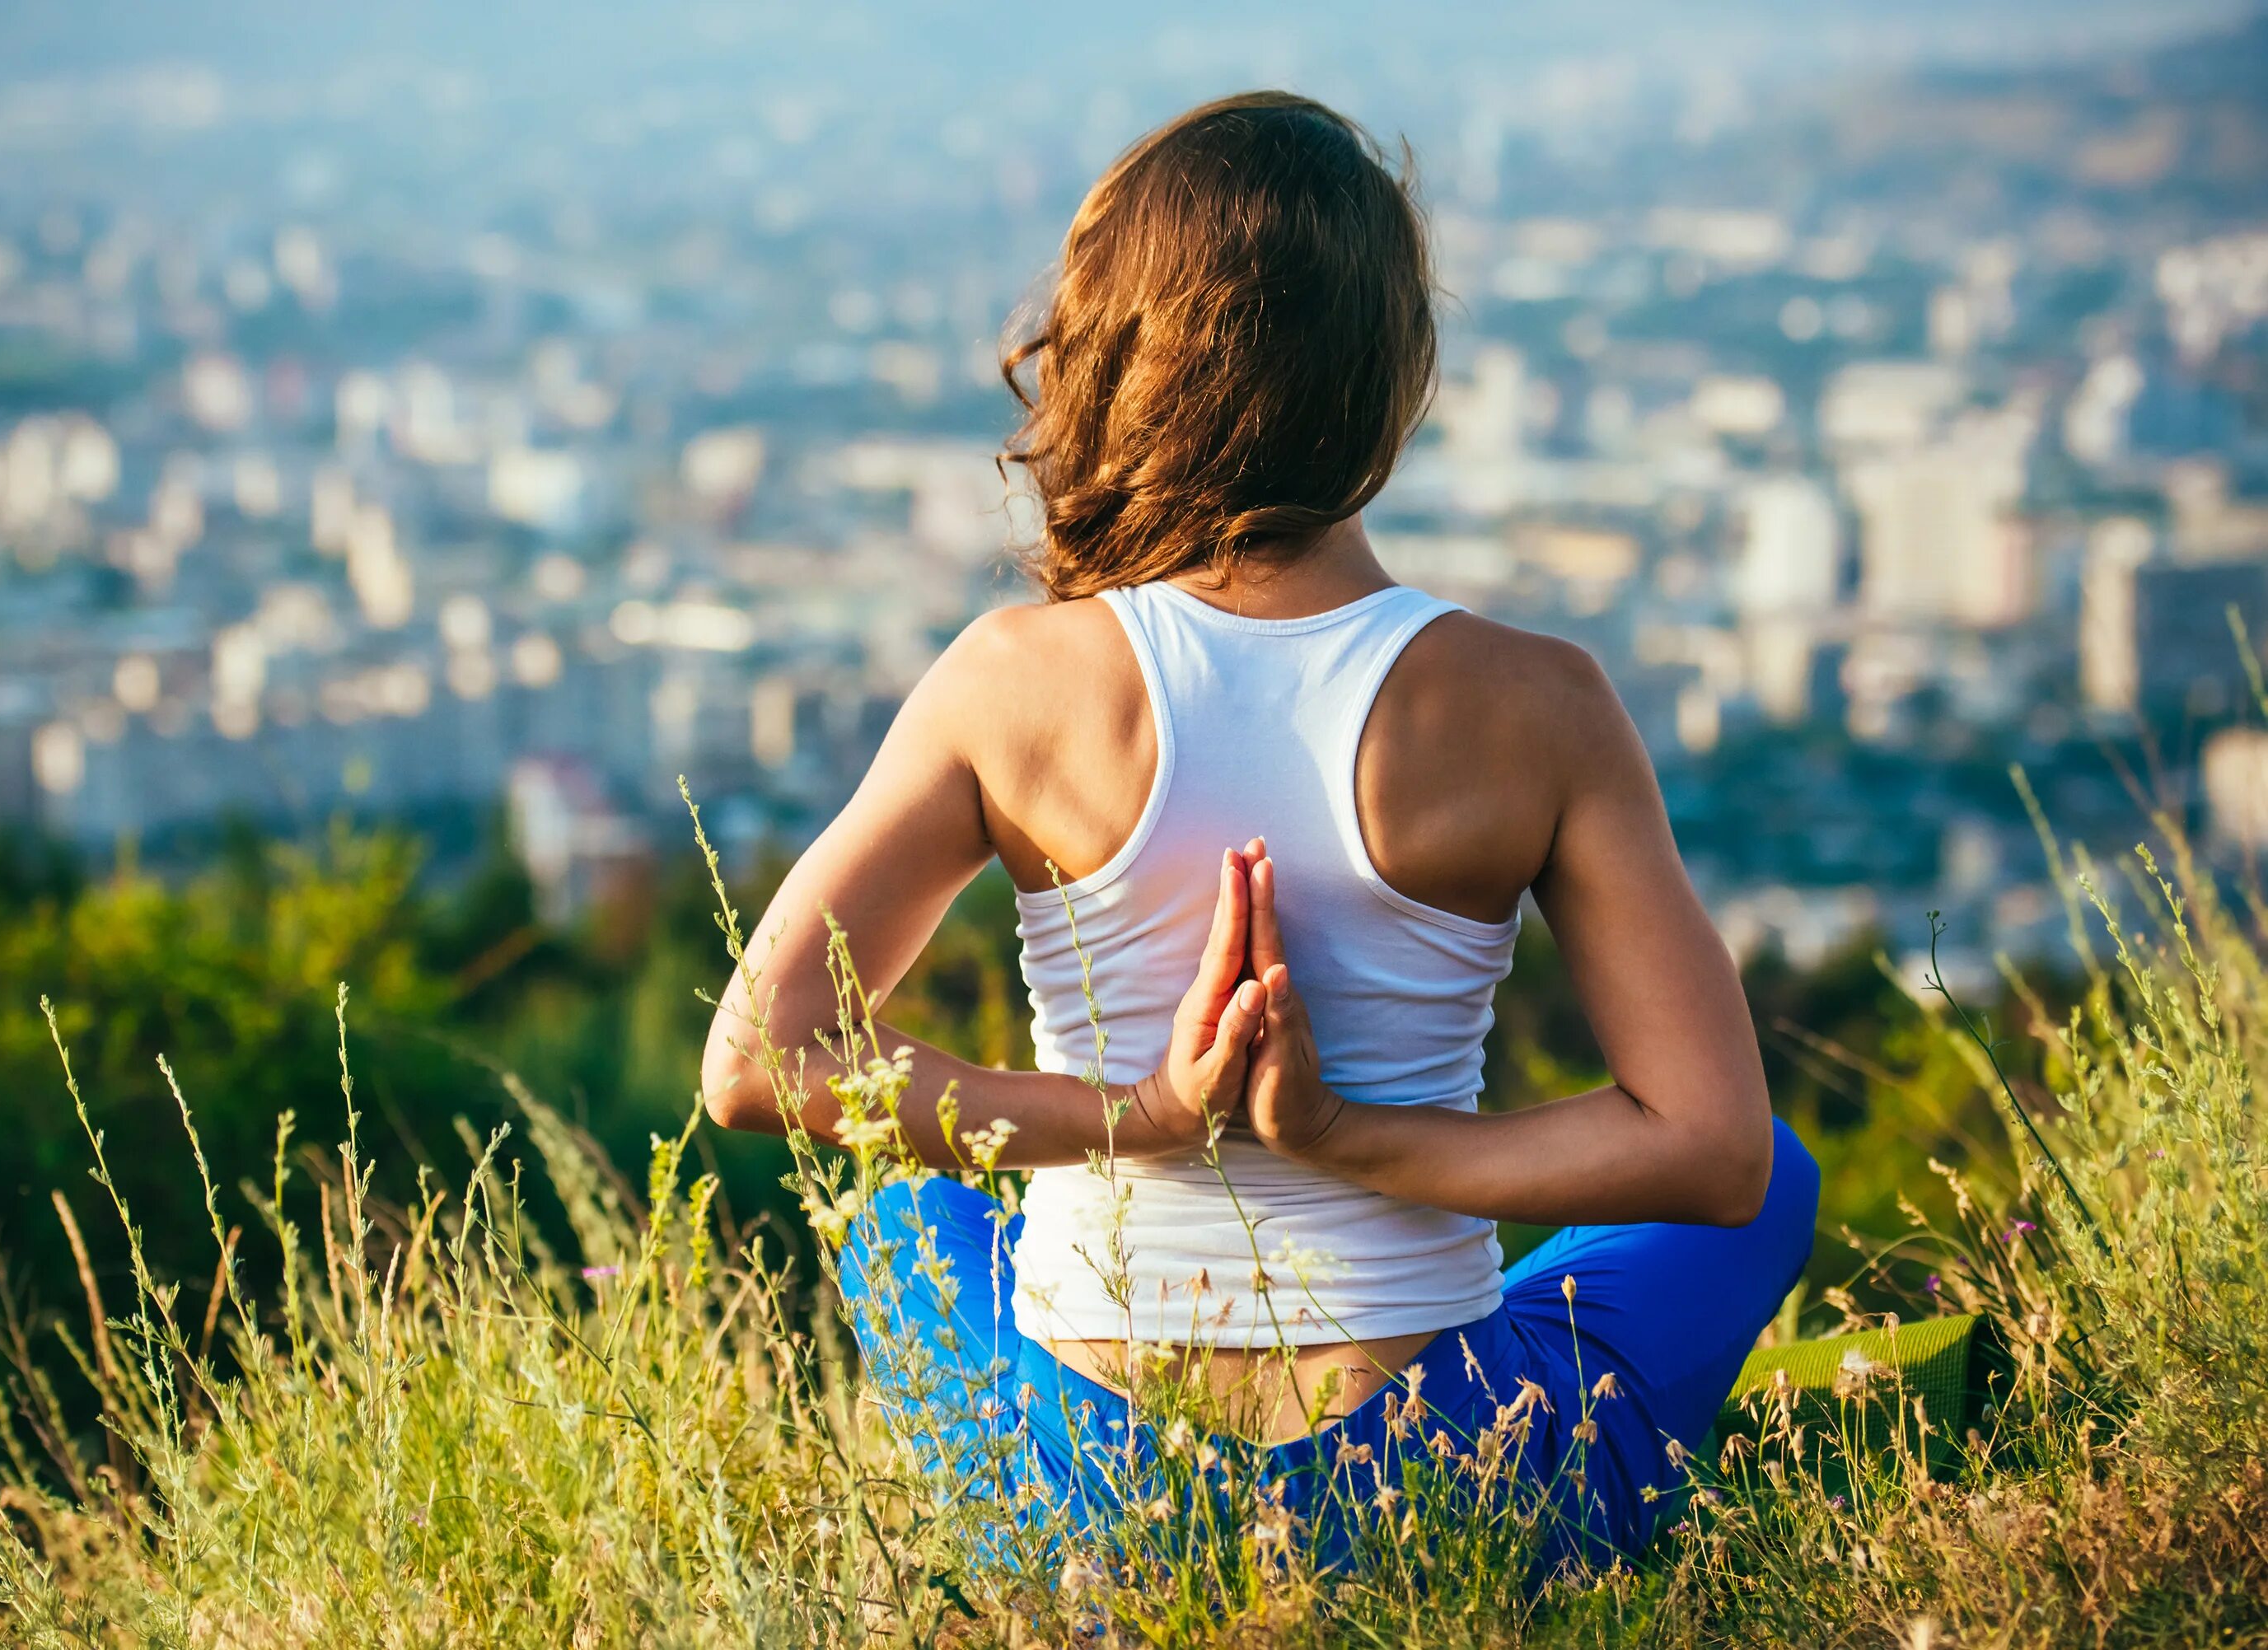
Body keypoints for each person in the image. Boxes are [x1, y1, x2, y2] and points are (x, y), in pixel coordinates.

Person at [699, 90, 1819, 1567]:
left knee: (906, 1226)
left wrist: (1136, 1122)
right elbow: (1716, 1152)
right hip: (1441, 1493)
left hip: (1085, 1506)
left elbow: (758, 1060)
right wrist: (1353, 1139)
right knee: (1784, 1175)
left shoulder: (1012, 680)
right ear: (1392, 375)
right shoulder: (1536, 703)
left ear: (1114, 363)